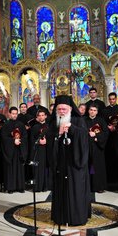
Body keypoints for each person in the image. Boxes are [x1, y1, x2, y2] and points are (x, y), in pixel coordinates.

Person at [46, 95, 90, 226]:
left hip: (74, 164)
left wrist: (73, 129)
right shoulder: (54, 122)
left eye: (64, 109)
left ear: (70, 109)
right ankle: (60, 216)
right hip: (60, 163)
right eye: (59, 109)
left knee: (76, 189)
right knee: (61, 190)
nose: (62, 112)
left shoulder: (78, 120)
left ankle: (76, 217)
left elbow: (84, 138)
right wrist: (58, 133)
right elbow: (49, 139)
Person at [1, 107, 28, 193]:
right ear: (9, 114)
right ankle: (10, 188)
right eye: (13, 114)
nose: (14, 115)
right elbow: (4, 138)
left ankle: (20, 187)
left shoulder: (20, 124)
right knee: (10, 169)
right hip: (10, 151)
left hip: (19, 150)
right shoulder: (6, 125)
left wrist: (20, 141)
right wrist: (13, 141)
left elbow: (25, 136)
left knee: (19, 169)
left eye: (16, 114)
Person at [85, 104, 108, 194]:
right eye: (91, 110)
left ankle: (99, 186)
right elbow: (80, 133)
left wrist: (96, 136)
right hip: (86, 147)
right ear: (88, 111)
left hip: (97, 147)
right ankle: (88, 186)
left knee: (97, 167)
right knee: (88, 166)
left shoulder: (101, 121)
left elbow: (106, 133)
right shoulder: (83, 121)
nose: (92, 112)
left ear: (97, 112)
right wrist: (89, 136)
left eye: (94, 110)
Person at [103, 92, 118, 191]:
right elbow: (102, 123)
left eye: (113, 99)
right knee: (109, 159)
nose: (112, 100)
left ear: (116, 99)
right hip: (108, 138)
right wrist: (108, 127)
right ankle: (109, 181)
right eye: (110, 99)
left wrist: (116, 127)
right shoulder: (105, 110)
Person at [29, 110, 50, 192]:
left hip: (46, 151)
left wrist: (46, 141)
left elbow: (52, 138)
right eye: (39, 115)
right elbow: (31, 140)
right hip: (37, 151)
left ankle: (45, 186)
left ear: (45, 116)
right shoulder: (34, 127)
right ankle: (37, 187)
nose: (41, 117)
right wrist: (38, 142)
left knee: (45, 168)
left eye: (42, 115)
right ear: (37, 117)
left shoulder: (49, 127)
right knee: (36, 168)